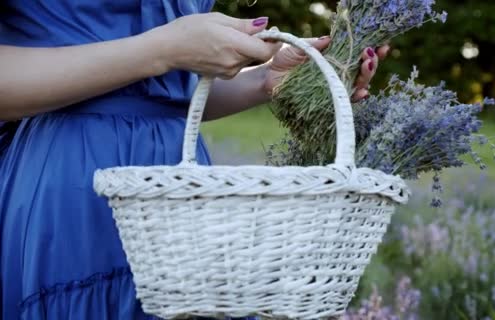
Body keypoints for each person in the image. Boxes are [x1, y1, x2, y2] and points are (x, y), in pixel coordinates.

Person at [0, 0, 389, 319]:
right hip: (70, 192)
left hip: (181, 193)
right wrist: (162, 50)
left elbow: (159, 95)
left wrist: (266, 79)